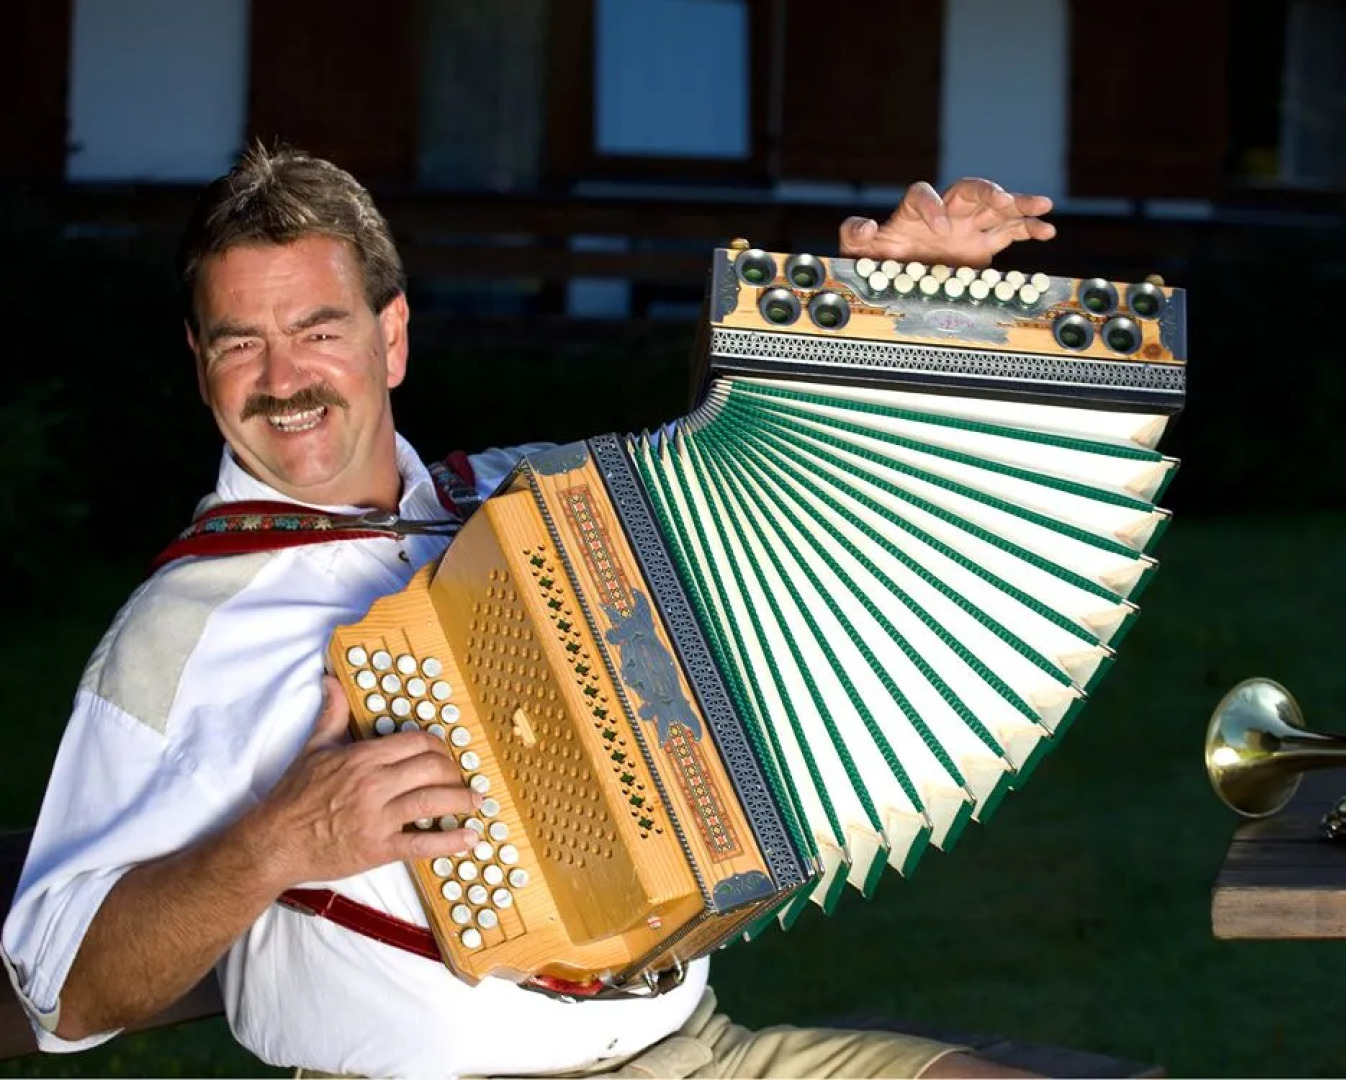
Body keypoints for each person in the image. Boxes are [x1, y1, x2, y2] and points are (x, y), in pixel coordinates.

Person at [2, 146, 1057, 1079]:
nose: (284, 380)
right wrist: (274, 843)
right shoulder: (181, 633)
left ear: (392, 338)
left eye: (319, 330)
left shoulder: (525, 497)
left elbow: (738, 467)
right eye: (242, 344)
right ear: (201, 366)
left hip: (697, 1056)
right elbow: (66, 994)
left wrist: (888, 306)